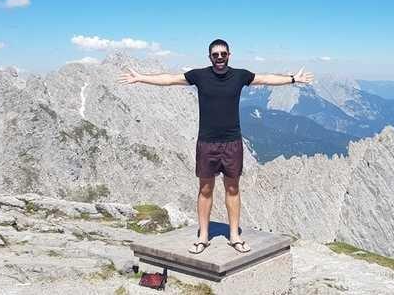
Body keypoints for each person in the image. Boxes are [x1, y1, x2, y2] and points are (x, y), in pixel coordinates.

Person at [118, 39, 313, 254]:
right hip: (207, 142)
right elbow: (170, 80)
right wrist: (141, 78)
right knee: (205, 189)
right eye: (215, 55)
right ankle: (203, 236)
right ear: (209, 57)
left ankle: (234, 236)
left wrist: (294, 79)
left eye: (223, 54)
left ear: (229, 55)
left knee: (233, 189)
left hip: (232, 142)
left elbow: (266, 78)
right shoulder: (199, 75)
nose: (219, 58)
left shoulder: (240, 75)